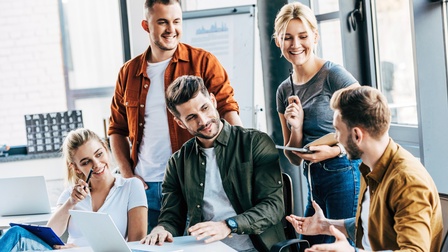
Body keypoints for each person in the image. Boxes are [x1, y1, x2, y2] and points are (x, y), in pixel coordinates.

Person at [108, 0, 242, 233]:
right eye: (162, 22)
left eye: (176, 21)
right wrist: (129, 176)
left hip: (192, 182)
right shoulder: (128, 72)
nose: (171, 29)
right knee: (148, 249)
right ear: (146, 25)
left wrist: (242, 160)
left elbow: (228, 110)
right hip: (144, 186)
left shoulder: (203, 62)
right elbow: (116, 130)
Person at [286, 86, 443, 252]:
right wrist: (326, 225)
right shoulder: (370, 168)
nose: (336, 138)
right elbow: (371, 225)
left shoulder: (407, 182)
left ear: (356, 135)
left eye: (337, 130)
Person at [140, 75, 285, 252]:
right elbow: (172, 218)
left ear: (213, 101)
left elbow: (274, 206)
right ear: (180, 123)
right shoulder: (178, 163)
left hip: (255, 248)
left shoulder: (255, 143)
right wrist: (160, 229)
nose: (203, 121)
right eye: (192, 117)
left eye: (205, 108)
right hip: (203, 249)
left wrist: (228, 225)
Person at [273, 2, 361, 245]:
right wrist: (297, 127)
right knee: (313, 247)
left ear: (315, 36)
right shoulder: (283, 90)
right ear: (278, 41)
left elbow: (368, 119)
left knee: (342, 246)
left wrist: (337, 149)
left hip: (343, 172)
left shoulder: (333, 75)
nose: (296, 44)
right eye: (287, 37)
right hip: (313, 179)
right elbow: (292, 157)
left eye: (302, 36)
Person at [0, 128, 148, 251]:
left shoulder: (132, 187)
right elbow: (51, 235)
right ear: (76, 168)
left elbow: (134, 245)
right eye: (86, 162)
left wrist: (79, 249)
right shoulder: (72, 194)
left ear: (105, 147)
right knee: (15, 233)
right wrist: (71, 202)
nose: (96, 164)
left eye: (99, 154)